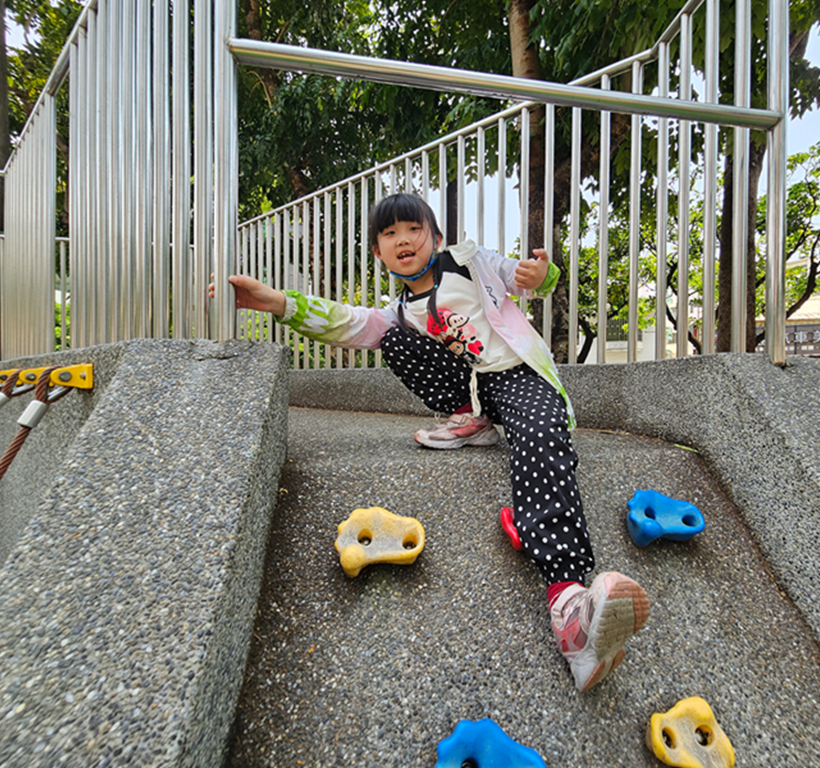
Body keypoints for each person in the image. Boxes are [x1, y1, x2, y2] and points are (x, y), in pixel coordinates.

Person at [212, 193, 650, 692]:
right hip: (473, 389)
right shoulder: (399, 310)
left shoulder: (471, 263)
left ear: (436, 238)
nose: (403, 240)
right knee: (392, 338)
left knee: (539, 434)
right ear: (378, 251)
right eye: (389, 233)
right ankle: (472, 420)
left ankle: (569, 604)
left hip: (518, 378)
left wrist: (540, 274)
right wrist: (277, 303)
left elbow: (526, 277)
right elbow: (346, 323)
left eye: (413, 229)